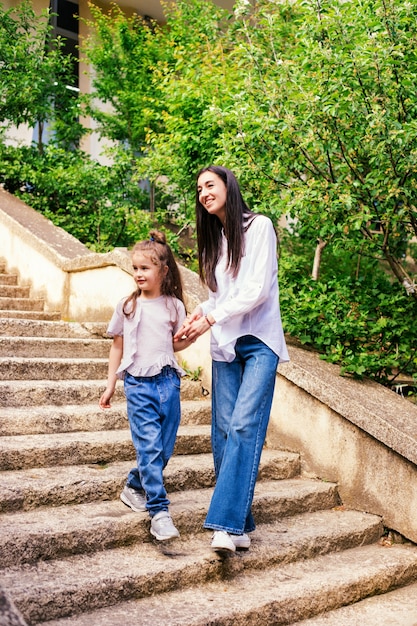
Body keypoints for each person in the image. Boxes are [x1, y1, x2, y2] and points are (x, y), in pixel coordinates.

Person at [174, 165, 289, 553]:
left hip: (258, 341)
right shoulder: (215, 240)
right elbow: (221, 296)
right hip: (225, 345)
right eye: (199, 188)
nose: (204, 192)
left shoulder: (259, 227)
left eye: (210, 184)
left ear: (228, 186)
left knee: (243, 427)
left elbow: (256, 290)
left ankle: (224, 525)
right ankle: (241, 524)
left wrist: (210, 317)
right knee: (222, 434)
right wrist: (200, 313)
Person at [99, 230, 192, 542]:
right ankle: (159, 512)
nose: (138, 273)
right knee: (149, 448)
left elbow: (175, 344)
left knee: (163, 450)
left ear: (163, 271)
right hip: (138, 384)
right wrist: (111, 383)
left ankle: (134, 485)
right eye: (135, 268)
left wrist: (194, 335)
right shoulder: (128, 306)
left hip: (168, 382)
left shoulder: (174, 306)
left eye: (145, 268)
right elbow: (117, 347)